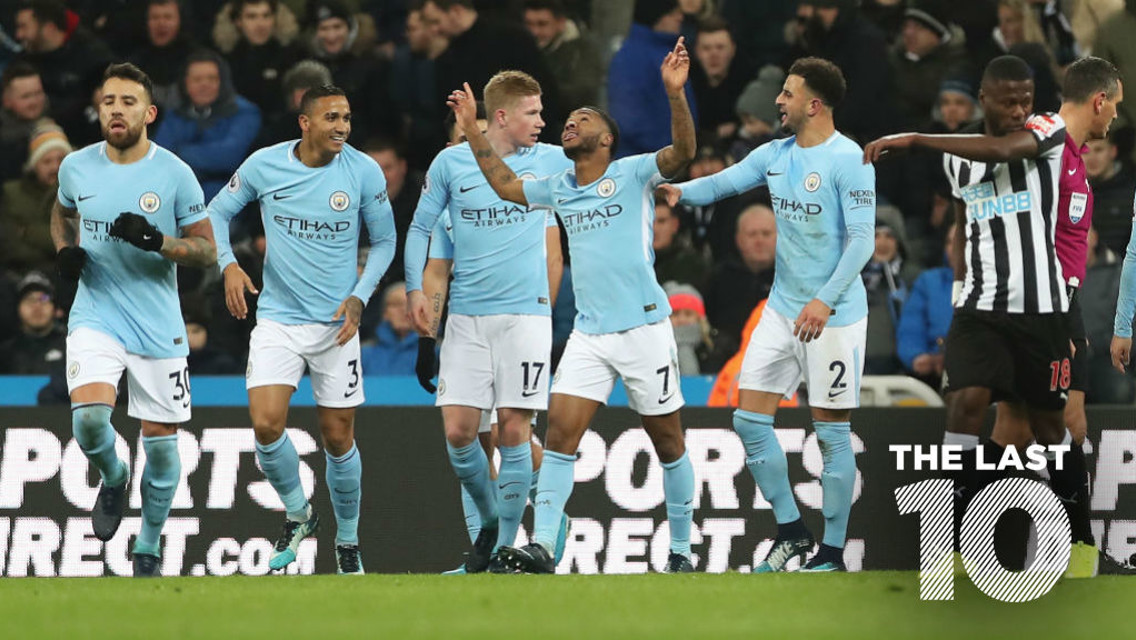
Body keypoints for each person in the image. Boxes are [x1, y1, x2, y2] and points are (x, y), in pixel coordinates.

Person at [864, 55, 1123, 578]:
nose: (1020, 110)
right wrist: (960, 290)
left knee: (1048, 428)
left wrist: (916, 139)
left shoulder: (1047, 132)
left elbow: (1006, 149)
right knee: (965, 408)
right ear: (983, 99)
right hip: (979, 310)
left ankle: (1077, 545)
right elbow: (962, 227)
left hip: (1042, 311)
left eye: (1026, 100)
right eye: (1009, 101)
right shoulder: (958, 160)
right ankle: (946, 546)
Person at [452, 38, 698, 574]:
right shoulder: (559, 187)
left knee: (668, 441)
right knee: (560, 437)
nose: (569, 123)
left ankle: (682, 550)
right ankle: (543, 545)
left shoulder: (634, 173)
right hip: (589, 334)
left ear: (606, 139)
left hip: (644, 327)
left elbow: (682, 153)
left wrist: (675, 94)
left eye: (582, 119)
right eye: (568, 120)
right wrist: (472, 130)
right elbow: (506, 185)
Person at [661, 57, 875, 572]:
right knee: (749, 421)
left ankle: (832, 552)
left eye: (787, 93)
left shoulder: (849, 159)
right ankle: (791, 531)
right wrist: (676, 192)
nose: (778, 101)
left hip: (834, 317)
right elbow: (722, 184)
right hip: (781, 311)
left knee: (831, 434)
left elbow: (863, 241)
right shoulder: (775, 154)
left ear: (814, 104)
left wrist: (825, 300)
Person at [208, 85, 397, 575]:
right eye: (332, 117)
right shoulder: (264, 165)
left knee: (337, 437)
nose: (342, 127)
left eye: (347, 118)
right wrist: (229, 265)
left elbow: (385, 241)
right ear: (305, 123)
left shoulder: (363, 171)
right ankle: (299, 514)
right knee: (266, 425)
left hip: (336, 326)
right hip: (279, 320)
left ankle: (348, 541)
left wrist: (360, 296)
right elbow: (217, 212)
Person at [50, 62, 217, 577]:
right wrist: (64, 251)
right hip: (96, 313)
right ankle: (115, 474)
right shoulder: (75, 166)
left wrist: (158, 241)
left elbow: (207, 251)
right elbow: (61, 212)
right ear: (98, 110)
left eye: (128, 102)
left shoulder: (175, 174)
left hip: (157, 323)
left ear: (150, 113)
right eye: (109, 102)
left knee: (163, 449)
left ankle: (147, 546)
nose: (116, 110)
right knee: (89, 421)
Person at [404, 70, 570, 573]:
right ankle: (491, 524)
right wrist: (420, 309)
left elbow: (555, 253)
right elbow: (424, 237)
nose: (542, 121)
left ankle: (500, 552)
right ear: (501, 116)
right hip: (467, 318)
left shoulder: (549, 163)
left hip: (524, 316)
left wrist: (542, 310)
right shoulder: (451, 167)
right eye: (532, 112)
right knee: (460, 433)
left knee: (513, 430)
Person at [153, 50, 262, 200]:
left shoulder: (244, 112)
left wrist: (180, 152)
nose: (204, 85)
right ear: (185, 84)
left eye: (212, 79)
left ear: (222, 82)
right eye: (197, 79)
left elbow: (228, 157)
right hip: (177, 195)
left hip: (227, 198)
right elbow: (159, 160)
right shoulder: (175, 115)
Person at [1, 123, 71, 276]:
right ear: (34, 165)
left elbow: (72, 242)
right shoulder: (10, 193)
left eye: (61, 159)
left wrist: (27, 232)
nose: (55, 167)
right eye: (47, 161)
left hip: (67, 276)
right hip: (20, 274)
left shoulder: (77, 193)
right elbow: (9, 247)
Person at [0, 271, 65, 374]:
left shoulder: (72, 347)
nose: (37, 306)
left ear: (56, 309)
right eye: (29, 299)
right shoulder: (5, 354)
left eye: (44, 298)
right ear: (17, 308)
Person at [360, 281, 418, 375]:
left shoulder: (436, 352)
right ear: (385, 313)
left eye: (410, 304)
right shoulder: (364, 353)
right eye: (396, 304)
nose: (404, 310)